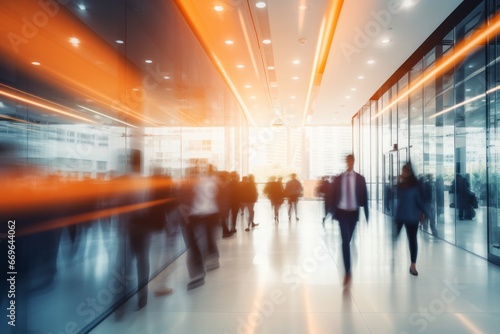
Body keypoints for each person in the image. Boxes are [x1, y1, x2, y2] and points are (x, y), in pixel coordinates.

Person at [331, 154, 369, 286]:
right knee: (345, 241)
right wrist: (331, 211)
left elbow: (364, 196)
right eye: (347, 160)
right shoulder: (339, 178)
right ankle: (348, 272)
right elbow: (333, 195)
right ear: (346, 162)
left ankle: (348, 271)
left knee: (348, 239)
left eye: (351, 160)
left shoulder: (360, 178)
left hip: (353, 213)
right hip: (342, 213)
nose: (349, 162)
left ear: (353, 162)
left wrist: (366, 212)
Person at [393, 162, 430, 276]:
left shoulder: (416, 185)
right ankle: (394, 257)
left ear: (410, 172)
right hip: (401, 215)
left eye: (406, 171)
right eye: (403, 171)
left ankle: (413, 265)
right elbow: (394, 193)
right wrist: (399, 180)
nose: (403, 173)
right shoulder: (401, 185)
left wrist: (425, 213)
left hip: (412, 217)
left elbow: (420, 200)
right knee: (395, 236)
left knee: (412, 240)